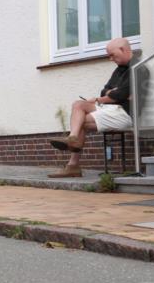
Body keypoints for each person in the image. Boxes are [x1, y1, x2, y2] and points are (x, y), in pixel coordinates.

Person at [46, 37, 147, 178]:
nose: (110, 59)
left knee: (80, 121)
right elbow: (105, 91)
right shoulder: (119, 70)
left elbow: (119, 95)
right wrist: (113, 93)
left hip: (125, 113)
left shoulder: (139, 68)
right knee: (78, 105)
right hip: (110, 109)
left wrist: (110, 96)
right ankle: (73, 138)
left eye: (112, 55)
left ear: (123, 49)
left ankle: (73, 165)